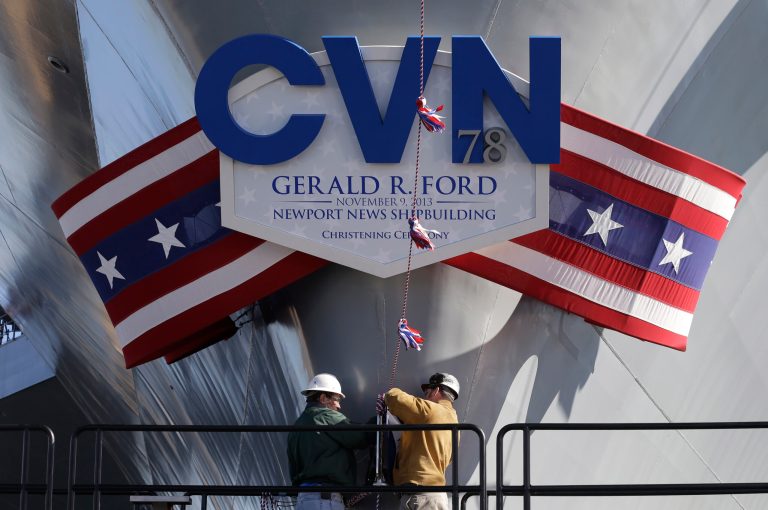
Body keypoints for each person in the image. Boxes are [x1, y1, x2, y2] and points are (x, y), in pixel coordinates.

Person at [287, 373, 369, 510]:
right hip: (325, 501)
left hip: (302, 502)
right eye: (336, 399)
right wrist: (379, 422)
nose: (338, 406)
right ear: (323, 398)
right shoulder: (324, 416)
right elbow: (359, 436)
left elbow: (293, 472)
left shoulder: (295, 429)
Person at [382, 372, 460, 510]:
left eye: (427, 391)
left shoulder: (430, 410)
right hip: (431, 495)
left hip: (421, 497)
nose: (425, 396)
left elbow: (394, 397)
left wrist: (389, 393)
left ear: (436, 390)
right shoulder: (454, 422)